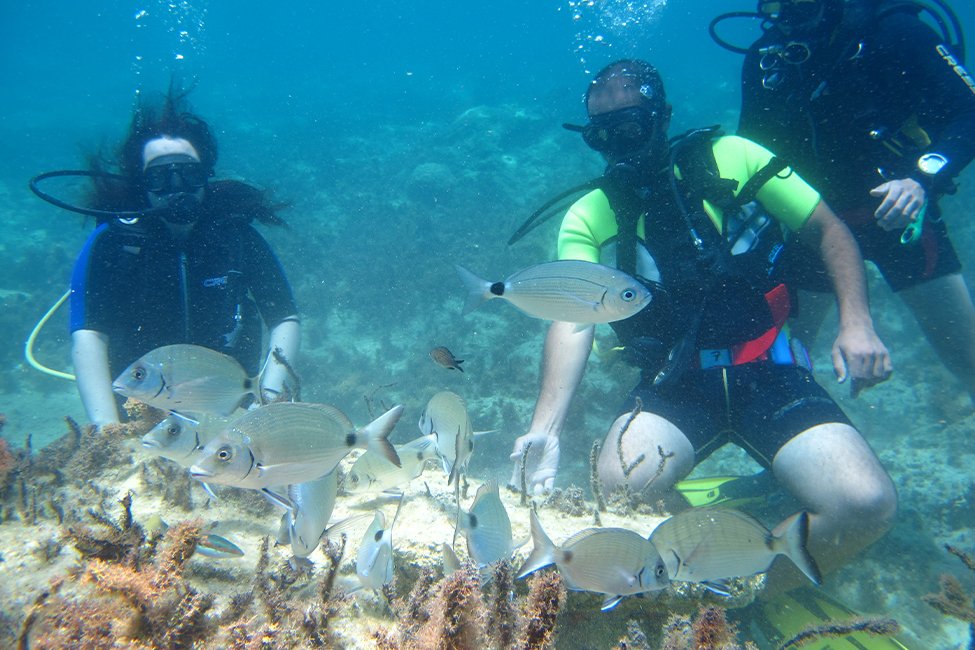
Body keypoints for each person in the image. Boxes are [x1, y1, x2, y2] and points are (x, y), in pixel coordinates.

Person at [509, 59, 895, 585]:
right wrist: (544, 428)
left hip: (769, 371)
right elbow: (572, 322)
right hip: (673, 383)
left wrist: (857, 323)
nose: (619, 147)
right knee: (621, 489)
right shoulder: (589, 215)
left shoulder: (734, 157)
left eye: (631, 128)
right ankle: (698, 581)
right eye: (602, 137)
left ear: (662, 118)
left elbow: (829, 231)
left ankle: (752, 600)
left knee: (865, 503)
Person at [737, 0, 975, 403]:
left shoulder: (893, 29)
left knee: (967, 357)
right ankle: (800, 453)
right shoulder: (765, 59)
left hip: (900, 219)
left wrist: (921, 179)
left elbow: (967, 111)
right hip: (811, 230)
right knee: (783, 363)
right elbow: (750, 148)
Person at [70, 87, 300, 426]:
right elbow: (89, 334)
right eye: (160, 178)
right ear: (141, 184)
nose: (177, 188)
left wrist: (269, 398)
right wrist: (108, 432)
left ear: (206, 175)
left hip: (231, 410)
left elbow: (284, 315)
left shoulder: (236, 235)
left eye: (189, 174)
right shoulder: (113, 243)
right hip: (141, 413)